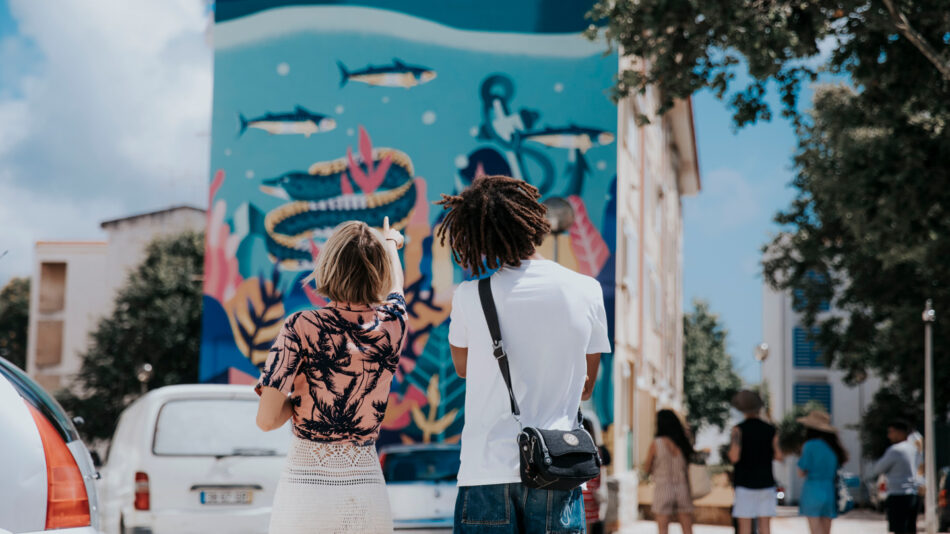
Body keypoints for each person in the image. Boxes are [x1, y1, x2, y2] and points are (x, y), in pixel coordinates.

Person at [437, 175, 611, 533]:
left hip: (485, 471)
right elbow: (587, 386)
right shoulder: (587, 290)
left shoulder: (471, 296)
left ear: (480, 239)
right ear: (537, 222)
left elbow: (463, 367)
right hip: (558, 466)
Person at [254, 218, 407, 534]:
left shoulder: (301, 326)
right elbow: (397, 288)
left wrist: (301, 399)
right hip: (365, 490)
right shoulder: (393, 325)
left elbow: (267, 420)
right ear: (379, 271)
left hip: (305, 491)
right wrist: (391, 244)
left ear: (329, 265)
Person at [728, 390, 783, 534]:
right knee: (765, 526)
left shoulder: (738, 430)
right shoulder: (771, 429)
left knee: (744, 527)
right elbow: (779, 456)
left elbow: (734, 457)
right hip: (766, 483)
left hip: (745, 484)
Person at [796, 410, 848, 534]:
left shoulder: (809, 445)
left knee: (815, 531)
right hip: (829, 490)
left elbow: (800, 472)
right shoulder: (834, 447)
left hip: (813, 489)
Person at [643, 410, 695, 534]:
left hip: (663, 487)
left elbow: (646, 468)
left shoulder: (656, 444)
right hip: (682, 487)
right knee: (687, 528)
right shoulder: (682, 443)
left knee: (663, 529)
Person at [872, 420, 921, 534]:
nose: (889, 436)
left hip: (898, 494)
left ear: (901, 433)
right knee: (910, 528)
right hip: (913, 494)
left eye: (891, 432)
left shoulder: (895, 450)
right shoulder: (914, 449)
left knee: (899, 529)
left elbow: (878, 469)